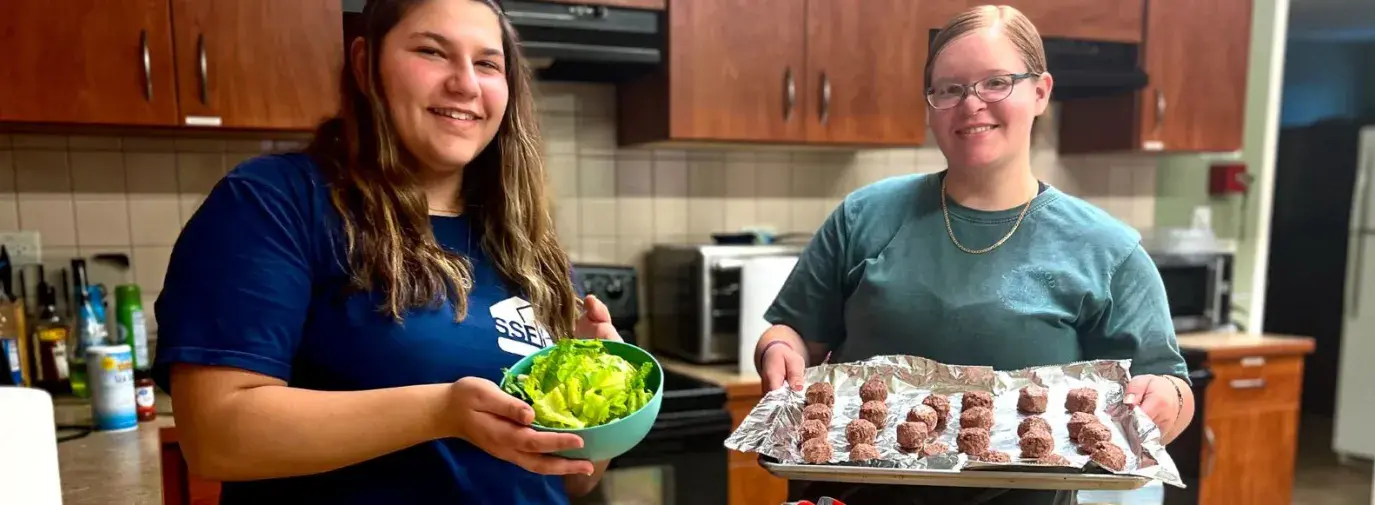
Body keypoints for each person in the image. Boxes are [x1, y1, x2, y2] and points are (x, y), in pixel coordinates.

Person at [151, 1, 619, 503]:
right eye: (432, 52)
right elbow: (216, 437)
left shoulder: (528, 240)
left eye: (487, 63)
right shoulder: (275, 202)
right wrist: (440, 412)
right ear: (364, 63)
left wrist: (604, 398)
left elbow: (572, 477)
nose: (465, 83)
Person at [753, 5, 1195, 505]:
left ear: (1040, 92)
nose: (971, 104)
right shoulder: (864, 217)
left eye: (996, 82)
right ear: (931, 103)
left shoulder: (1107, 250)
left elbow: (1171, 388)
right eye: (949, 89)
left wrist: (1165, 402)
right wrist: (778, 350)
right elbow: (791, 333)